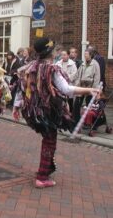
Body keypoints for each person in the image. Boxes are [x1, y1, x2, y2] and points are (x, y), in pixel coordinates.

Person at [13, 37, 100, 188]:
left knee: (48, 139)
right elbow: (67, 89)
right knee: (49, 141)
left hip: (35, 113)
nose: (57, 52)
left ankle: (46, 169)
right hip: (47, 113)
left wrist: (16, 106)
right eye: (55, 50)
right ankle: (42, 176)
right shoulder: (51, 69)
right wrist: (89, 90)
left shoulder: (31, 67)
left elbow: (22, 89)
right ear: (50, 52)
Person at [73, 49, 100, 124]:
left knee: (90, 106)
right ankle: (76, 121)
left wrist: (94, 89)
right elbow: (77, 75)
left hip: (90, 88)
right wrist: (77, 85)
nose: (85, 55)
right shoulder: (82, 64)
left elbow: (97, 78)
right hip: (81, 87)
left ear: (91, 55)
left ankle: (92, 123)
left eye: (86, 54)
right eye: (84, 54)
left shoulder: (95, 64)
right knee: (76, 105)